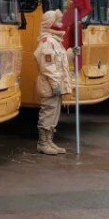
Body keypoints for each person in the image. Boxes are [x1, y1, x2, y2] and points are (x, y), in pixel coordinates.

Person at [35, 9, 73, 154]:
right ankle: (43, 143)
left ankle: (49, 141)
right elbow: (48, 67)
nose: (61, 24)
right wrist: (56, 84)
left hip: (55, 85)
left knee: (54, 113)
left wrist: (70, 54)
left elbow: (60, 63)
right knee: (48, 112)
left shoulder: (55, 41)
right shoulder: (47, 41)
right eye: (58, 21)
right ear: (50, 23)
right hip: (49, 85)